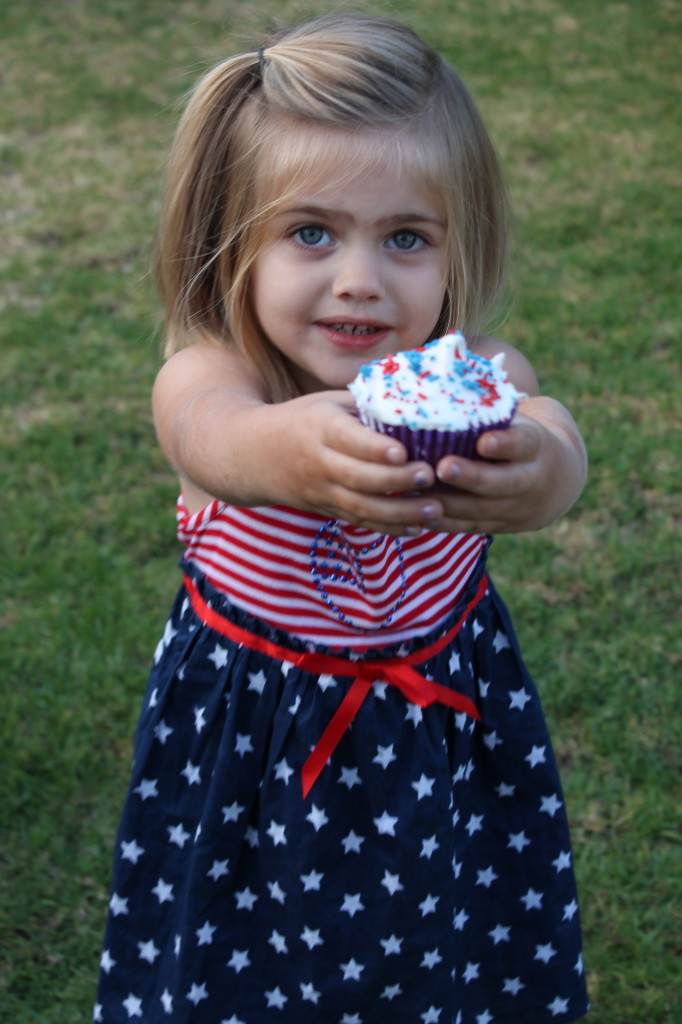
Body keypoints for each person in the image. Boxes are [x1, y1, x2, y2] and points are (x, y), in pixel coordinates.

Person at [94, 13, 590, 1024]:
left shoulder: (473, 379)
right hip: (256, 742)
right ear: (234, 239)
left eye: (405, 237)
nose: (359, 277)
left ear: (460, 247)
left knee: (447, 940)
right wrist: (296, 453)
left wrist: (536, 470)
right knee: (244, 964)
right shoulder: (217, 374)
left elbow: (552, 440)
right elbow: (207, 436)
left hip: (437, 735)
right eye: (310, 232)